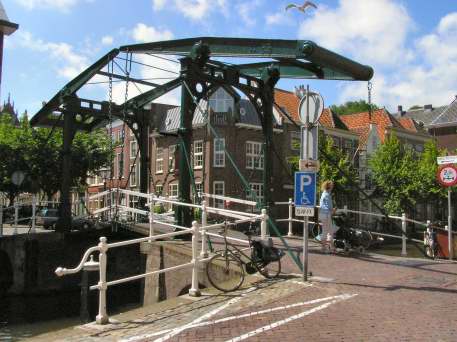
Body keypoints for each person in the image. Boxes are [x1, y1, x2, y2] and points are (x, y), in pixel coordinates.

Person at [319, 180, 336, 253]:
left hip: (322, 214)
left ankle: (324, 248)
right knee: (330, 232)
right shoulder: (328, 195)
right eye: (332, 185)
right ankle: (331, 248)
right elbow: (330, 207)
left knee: (324, 231)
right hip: (327, 214)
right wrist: (334, 210)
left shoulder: (323, 194)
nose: (332, 187)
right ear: (329, 186)